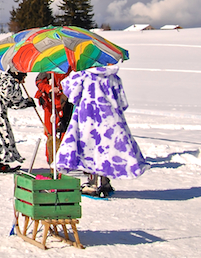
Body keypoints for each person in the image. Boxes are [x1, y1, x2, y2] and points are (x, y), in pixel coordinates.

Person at [56, 65, 149, 198]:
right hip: (110, 121)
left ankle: (93, 183)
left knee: (89, 149)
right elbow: (123, 103)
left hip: (87, 119)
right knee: (106, 150)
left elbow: (71, 95)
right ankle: (104, 181)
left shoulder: (83, 76)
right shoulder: (113, 77)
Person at [35, 70, 73, 164]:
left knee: (66, 129)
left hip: (66, 101)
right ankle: (51, 158)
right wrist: (49, 88)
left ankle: (64, 157)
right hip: (50, 103)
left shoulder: (72, 65)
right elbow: (39, 81)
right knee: (50, 132)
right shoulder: (49, 66)